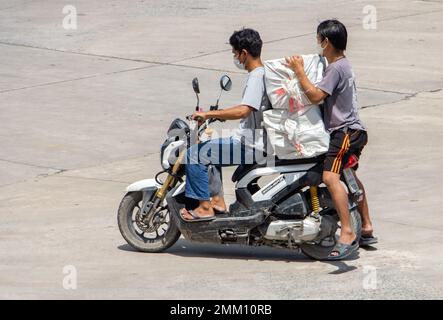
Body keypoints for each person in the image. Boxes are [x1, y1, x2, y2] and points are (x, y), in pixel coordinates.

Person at [285, 19, 377, 260]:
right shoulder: (341, 64)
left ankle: (346, 232)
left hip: (344, 132)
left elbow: (315, 95)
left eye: (319, 39)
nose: (318, 44)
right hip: (355, 131)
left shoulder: (335, 68)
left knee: (330, 177)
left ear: (326, 41)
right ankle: (366, 227)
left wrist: (298, 71)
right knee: (350, 176)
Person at [181, 28, 271, 221]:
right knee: (212, 149)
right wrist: (221, 115)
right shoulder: (262, 73)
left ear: (244, 53)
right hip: (254, 141)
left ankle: (204, 208)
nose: (235, 57)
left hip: (250, 145)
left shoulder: (256, 76)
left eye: (234, 53)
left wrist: (208, 114)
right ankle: (217, 201)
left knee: (193, 154)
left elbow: (243, 110)